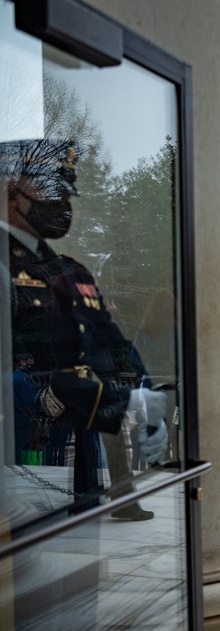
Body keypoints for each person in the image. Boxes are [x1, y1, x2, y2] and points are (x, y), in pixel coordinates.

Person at [1, 138, 167, 519]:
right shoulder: (9, 265)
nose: (62, 207)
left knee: (101, 428)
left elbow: (109, 332)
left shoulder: (69, 269)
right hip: (47, 388)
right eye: (50, 194)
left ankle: (99, 500)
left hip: (90, 382)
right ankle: (92, 499)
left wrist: (144, 384)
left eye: (65, 196)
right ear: (14, 196)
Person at [12, 353, 38, 464]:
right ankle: (17, 463)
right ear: (22, 363)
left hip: (11, 413)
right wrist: (32, 413)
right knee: (21, 442)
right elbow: (27, 399)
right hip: (21, 414)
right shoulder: (23, 377)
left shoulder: (11, 376)